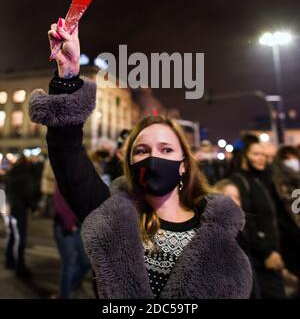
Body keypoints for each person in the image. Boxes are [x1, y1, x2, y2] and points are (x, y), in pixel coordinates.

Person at [28, 18, 253, 299]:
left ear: (184, 165)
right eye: (142, 150)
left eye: (166, 150)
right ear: (131, 163)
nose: (153, 158)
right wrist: (68, 75)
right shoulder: (111, 216)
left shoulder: (226, 232)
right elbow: (66, 152)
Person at [230, 134, 286, 299]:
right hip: (259, 259)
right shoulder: (239, 181)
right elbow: (246, 219)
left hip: (272, 253)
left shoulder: (260, 179)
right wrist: (266, 252)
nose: (261, 158)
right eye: (256, 154)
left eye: (263, 154)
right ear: (244, 155)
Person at [272, 145, 300, 297]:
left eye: (293, 158)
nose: (292, 162)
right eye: (287, 159)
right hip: (289, 239)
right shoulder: (276, 183)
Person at [53, 185, 90, 299]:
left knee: (86, 262)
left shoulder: (82, 180)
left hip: (80, 227)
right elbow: (60, 204)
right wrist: (69, 224)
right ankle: (64, 296)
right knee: (69, 264)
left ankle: (69, 288)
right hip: (66, 228)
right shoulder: (63, 179)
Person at [4, 155, 39, 278]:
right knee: (20, 238)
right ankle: (20, 267)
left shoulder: (10, 175)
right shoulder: (26, 176)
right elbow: (28, 193)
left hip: (9, 207)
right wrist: (34, 207)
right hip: (20, 208)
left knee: (11, 235)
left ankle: (9, 261)